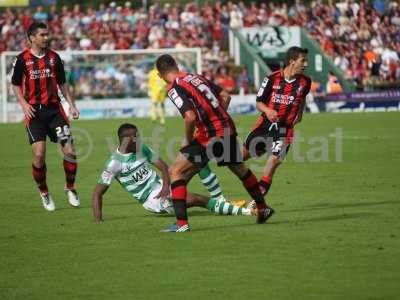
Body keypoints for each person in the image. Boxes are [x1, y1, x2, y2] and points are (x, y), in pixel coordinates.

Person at [156, 54, 274, 232]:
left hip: (208, 135)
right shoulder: (195, 77)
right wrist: (216, 119)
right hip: (226, 128)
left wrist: (189, 139)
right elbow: (226, 96)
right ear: (176, 65)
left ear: (159, 74)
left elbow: (189, 117)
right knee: (239, 169)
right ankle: (262, 207)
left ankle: (181, 224)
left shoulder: (174, 87)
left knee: (175, 171)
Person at [92, 124, 254, 222]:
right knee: (198, 199)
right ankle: (247, 212)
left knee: (197, 161)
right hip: (152, 200)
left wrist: (166, 186)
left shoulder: (141, 148)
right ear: (126, 140)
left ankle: (220, 199)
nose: (139, 139)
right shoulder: (113, 164)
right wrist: (98, 220)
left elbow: (162, 166)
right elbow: (97, 194)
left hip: (163, 186)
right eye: (135, 137)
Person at [11, 22, 80, 211]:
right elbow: (15, 84)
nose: (46, 38)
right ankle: (44, 192)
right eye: (42, 35)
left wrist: (71, 105)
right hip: (35, 113)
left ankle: (70, 188)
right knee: (39, 155)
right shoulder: (22, 59)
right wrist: (24, 105)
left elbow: (63, 84)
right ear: (32, 37)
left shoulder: (54, 58)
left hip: (55, 111)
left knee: (70, 152)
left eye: (47, 34)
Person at [242, 46, 311, 204]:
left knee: (273, 163)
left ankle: (257, 202)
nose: (306, 64)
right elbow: (259, 102)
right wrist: (268, 111)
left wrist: (299, 115)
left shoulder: (305, 82)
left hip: (284, 130)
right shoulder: (271, 79)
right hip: (264, 125)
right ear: (292, 61)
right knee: (237, 158)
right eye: (303, 60)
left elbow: (303, 98)